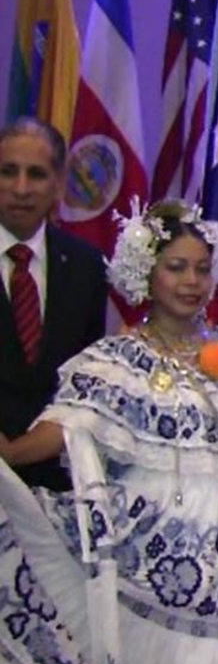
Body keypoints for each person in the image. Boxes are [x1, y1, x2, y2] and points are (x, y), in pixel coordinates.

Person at [0, 200, 218, 664]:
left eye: (201, 269)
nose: (191, 281)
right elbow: (67, 425)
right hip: (152, 556)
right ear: (146, 273)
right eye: (176, 268)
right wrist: (11, 453)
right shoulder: (117, 359)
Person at [0, 117, 108, 492]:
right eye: (8, 172)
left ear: (59, 184)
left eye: (36, 174)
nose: (21, 188)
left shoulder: (86, 266)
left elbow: (86, 379)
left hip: (57, 481)